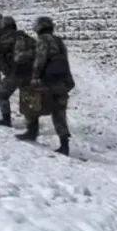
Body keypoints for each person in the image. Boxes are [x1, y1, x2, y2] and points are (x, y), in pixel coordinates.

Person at [17, 16, 74, 155]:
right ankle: (64, 145)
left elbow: (40, 59)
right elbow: (65, 61)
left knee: (32, 100)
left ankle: (32, 131)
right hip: (61, 80)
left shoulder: (43, 40)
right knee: (59, 112)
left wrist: (35, 76)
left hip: (48, 80)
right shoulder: (59, 41)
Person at [0, 16, 35, 127]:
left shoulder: (4, 39)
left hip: (15, 74)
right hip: (30, 73)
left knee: (2, 95)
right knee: (27, 99)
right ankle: (32, 124)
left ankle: (6, 120)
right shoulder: (27, 38)